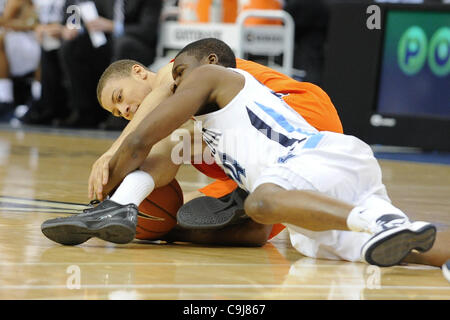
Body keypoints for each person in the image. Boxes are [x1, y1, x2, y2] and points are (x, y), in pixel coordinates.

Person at [42, 39, 445, 269]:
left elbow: (144, 136)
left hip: (307, 132)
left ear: (139, 74)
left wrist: (110, 161)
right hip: (297, 168)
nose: (125, 112)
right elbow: (254, 234)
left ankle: (120, 207)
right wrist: (164, 231)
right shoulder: (200, 134)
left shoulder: (185, 73)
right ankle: (390, 226)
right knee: (275, 225)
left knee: (258, 196)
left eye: (121, 99)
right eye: (117, 114)